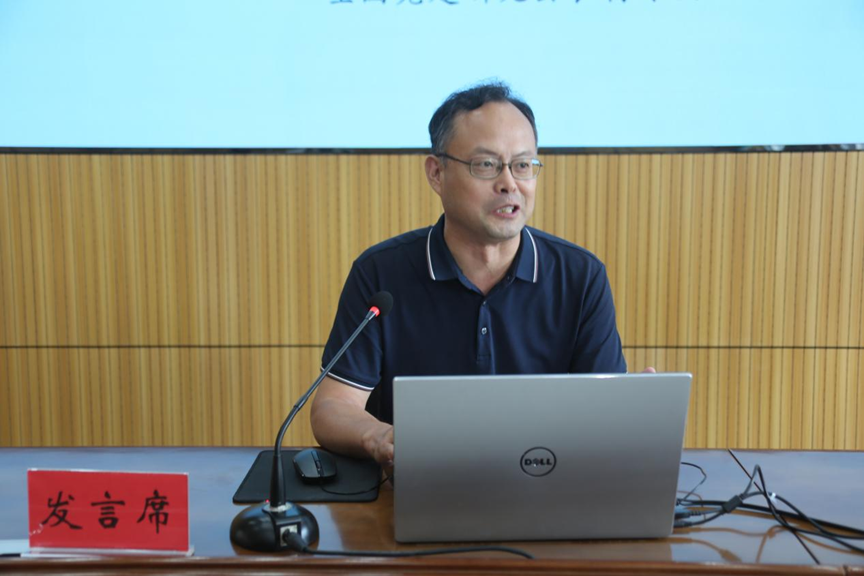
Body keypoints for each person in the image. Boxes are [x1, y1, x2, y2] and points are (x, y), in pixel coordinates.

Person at [310, 81, 641, 471]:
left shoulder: (580, 277)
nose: (509, 183)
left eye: (523, 165)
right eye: (486, 165)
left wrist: (633, 410)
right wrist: (379, 436)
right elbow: (332, 406)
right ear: (437, 173)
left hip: (544, 484)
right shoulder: (381, 274)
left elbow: (603, 417)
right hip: (417, 485)